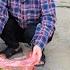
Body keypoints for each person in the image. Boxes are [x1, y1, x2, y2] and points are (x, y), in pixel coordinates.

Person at [0, 0, 56, 66]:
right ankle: (14, 46)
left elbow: (48, 19)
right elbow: (1, 14)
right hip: (16, 26)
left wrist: (39, 44)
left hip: (35, 29)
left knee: (31, 33)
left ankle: (37, 50)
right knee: (5, 23)